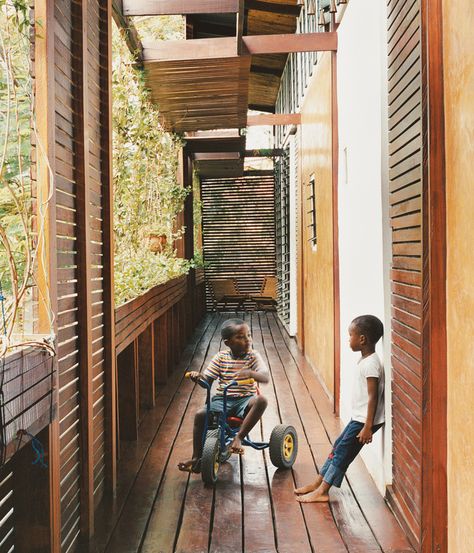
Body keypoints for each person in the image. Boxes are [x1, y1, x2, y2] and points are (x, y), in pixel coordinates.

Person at [295, 314, 385, 502]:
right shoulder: (366, 360)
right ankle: (319, 481)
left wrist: (367, 426)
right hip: (359, 418)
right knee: (338, 446)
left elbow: (373, 397)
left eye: (350, 335)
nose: (348, 339)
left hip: (364, 421)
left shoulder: (371, 365)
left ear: (362, 339)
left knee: (343, 452)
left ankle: (323, 492)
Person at [178, 318, 269, 473]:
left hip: (245, 399)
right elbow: (206, 381)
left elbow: (265, 377)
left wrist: (250, 373)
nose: (247, 340)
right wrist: (198, 377)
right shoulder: (221, 357)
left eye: (248, 335)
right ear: (228, 343)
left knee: (262, 400)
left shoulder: (253, 356)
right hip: (223, 399)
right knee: (200, 415)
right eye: (240, 337)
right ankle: (196, 458)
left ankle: (238, 438)